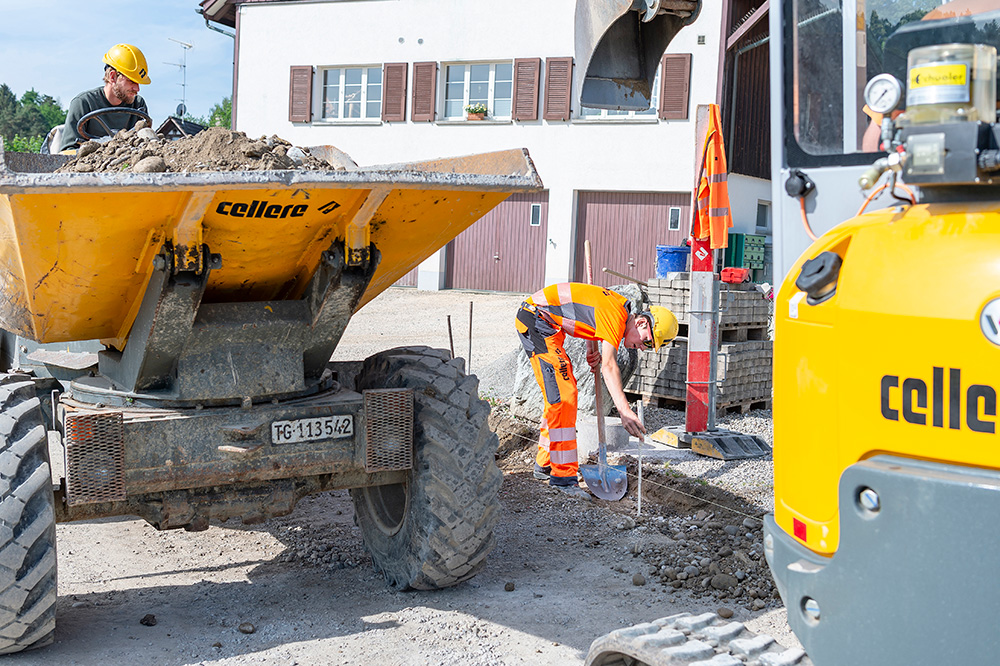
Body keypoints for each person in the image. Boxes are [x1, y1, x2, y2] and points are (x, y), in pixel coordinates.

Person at [515, 283, 678, 499]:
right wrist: (624, 411)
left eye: (648, 347)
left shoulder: (618, 308)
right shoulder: (616, 315)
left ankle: (545, 463)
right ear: (640, 322)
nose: (642, 347)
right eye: (647, 341)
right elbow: (610, 367)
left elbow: (590, 319)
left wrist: (591, 350)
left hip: (543, 321)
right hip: (538, 320)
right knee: (564, 396)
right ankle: (563, 479)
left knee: (558, 395)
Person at [59, 43, 151, 152]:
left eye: (138, 83)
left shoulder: (138, 105)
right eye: (131, 81)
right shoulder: (84, 103)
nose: (137, 89)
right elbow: (67, 151)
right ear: (113, 77)